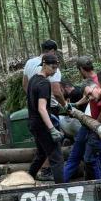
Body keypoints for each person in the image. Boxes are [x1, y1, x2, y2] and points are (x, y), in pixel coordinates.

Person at [63, 58, 101, 181]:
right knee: (80, 153)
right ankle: (62, 180)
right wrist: (76, 104)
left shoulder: (99, 82)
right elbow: (87, 97)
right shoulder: (90, 83)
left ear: (81, 69)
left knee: (99, 155)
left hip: (99, 125)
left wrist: (97, 123)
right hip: (89, 123)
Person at [27, 54, 65, 183]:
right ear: (44, 65)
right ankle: (62, 189)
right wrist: (52, 129)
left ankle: (28, 178)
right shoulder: (44, 83)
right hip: (42, 125)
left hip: (33, 123)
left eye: (56, 68)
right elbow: (42, 108)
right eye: (52, 67)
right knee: (57, 158)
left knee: (42, 154)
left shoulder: (33, 79)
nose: (54, 71)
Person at [22, 39, 66, 109]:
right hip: (50, 106)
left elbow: (25, 85)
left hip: (33, 105)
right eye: (55, 52)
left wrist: (33, 98)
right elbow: (56, 92)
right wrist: (65, 105)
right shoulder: (53, 67)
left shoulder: (29, 62)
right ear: (52, 51)